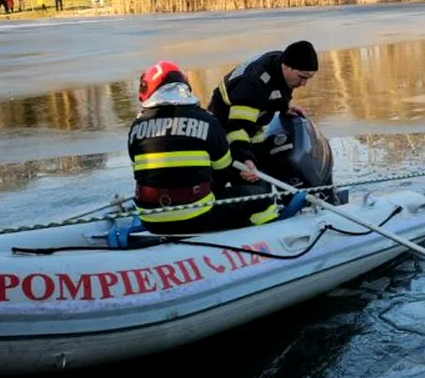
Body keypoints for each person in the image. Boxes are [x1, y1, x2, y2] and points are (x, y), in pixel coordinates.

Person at [128, 61, 251, 234]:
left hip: (150, 219)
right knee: (259, 195)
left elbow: (141, 171)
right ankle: (255, 241)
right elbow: (224, 170)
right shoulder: (208, 121)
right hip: (198, 216)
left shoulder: (137, 125)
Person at [208, 41, 318, 222]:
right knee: (257, 188)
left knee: (268, 167)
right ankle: (255, 226)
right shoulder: (253, 84)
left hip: (252, 126)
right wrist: (246, 160)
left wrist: (284, 107)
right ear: (286, 67)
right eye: (302, 77)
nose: (304, 84)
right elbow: (236, 128)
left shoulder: (279, 65)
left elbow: (275, 92)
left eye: (308, 78)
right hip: (226, 130)